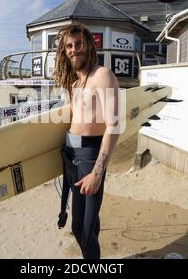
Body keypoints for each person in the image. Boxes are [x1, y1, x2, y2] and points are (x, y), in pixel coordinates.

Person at [53, 23, 120, 259]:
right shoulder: (74, 84)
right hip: (71, 157)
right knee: (84, 224)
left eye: (78, 43)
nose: (74, 49)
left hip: (90, 159)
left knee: (83, 229)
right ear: (64, 51)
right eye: (69, 46)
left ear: (90, 45)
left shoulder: (102, 75)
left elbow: (114, 126)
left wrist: (97, 173)